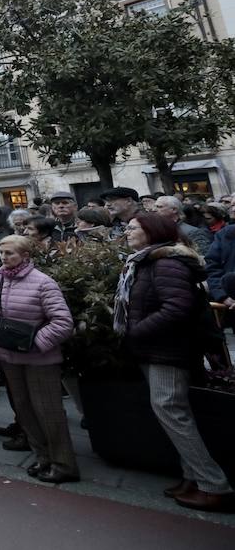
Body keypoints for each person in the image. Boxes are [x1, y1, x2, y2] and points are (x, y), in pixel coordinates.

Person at [116, 213, 234, 512]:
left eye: (133, 228)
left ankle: (213, 485)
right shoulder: (147, 259)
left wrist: (136, 331)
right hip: (156, 348)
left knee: (171, 410)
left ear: (152, 232)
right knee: (172, 411)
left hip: (166, 350)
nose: (127, 232)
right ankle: (191, 477)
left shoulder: (165, 262)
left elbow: (176, 307)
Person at [0, 235, 78, 483]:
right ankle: (42, 456)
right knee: (23, 408)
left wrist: (35, 343)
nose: (4, 257)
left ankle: (63, 464)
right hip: (7, 355)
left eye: (10, 253)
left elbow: (63, 323)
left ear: (25, 255)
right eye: (1, 253)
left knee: (48, 410)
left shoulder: (43, 283)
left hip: (39, 360)